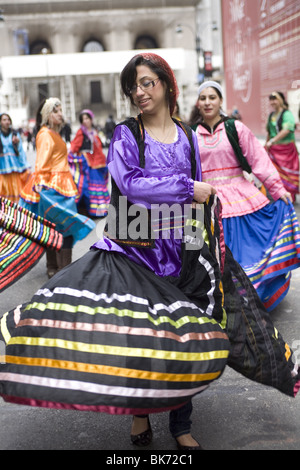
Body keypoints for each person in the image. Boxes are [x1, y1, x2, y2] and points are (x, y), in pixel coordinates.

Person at [0, 56, 299, 451]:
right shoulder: (127, 134)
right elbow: (131, 184)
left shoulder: (187, 134)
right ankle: (139, 413)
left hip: (183, 250)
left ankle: (181, 422)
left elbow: (198, 197)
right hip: (136, 251)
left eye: (146, 83)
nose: (139, 93)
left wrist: (201, 245)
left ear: (166, 85)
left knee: (186, 336)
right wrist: (187, 188)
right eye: (133, 87)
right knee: (139, 339)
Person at [190, 80, 300, 311]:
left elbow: (259, 160)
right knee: (216, 260)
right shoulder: (190, 135)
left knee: (245, 255)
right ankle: (226, 303)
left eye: (213, 97)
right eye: (203, 98)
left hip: (241, 198)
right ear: (198, 103)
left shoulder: (235, 128)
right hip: (209, 201)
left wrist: (278, 190)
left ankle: (250, 300)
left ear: (221, 101)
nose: (208, 102)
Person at [19, 98, 95, 278]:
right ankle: (61, 272)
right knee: (64, 228)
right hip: (53, 188)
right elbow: (41, 164)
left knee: (55, 228)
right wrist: (42, 187)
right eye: (55, 111)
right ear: (47, 115)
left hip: (62, 185)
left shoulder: (54, 133)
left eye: (60, 110)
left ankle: (54, 268)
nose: (60, 114)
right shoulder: (45, 134)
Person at [68, 109, 110, 217]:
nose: (85, 121)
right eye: (83, 119)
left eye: (87, 118)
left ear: (91, 119)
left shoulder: (94, 132)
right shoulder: (81, 132)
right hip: (88, 164)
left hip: (98, 162)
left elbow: (99, 147)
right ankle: (90, 210)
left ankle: (101, 210)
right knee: (89, 188)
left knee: (99, 185)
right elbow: (74, 147)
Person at [265, 91, 299, 202]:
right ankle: (279, 195)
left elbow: (287, 129)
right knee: (275, 173)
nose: (273, 102)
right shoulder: (271, 115)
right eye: (271, 99)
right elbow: (270, 132)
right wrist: (267, 145)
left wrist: (273, 140)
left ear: (281, 100)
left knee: (287, 174)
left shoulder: (286, 114)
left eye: (275, 99)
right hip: (274, 151)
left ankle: (290, 196)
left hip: (286, 150)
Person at [0, 113, 31, 204]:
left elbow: (21, 151)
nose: (7, 122)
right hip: (2, 169)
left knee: (17, 192)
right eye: (4, 120)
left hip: (15, 168)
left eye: (8, 120)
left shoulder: (15, 134)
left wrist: (25, 165)